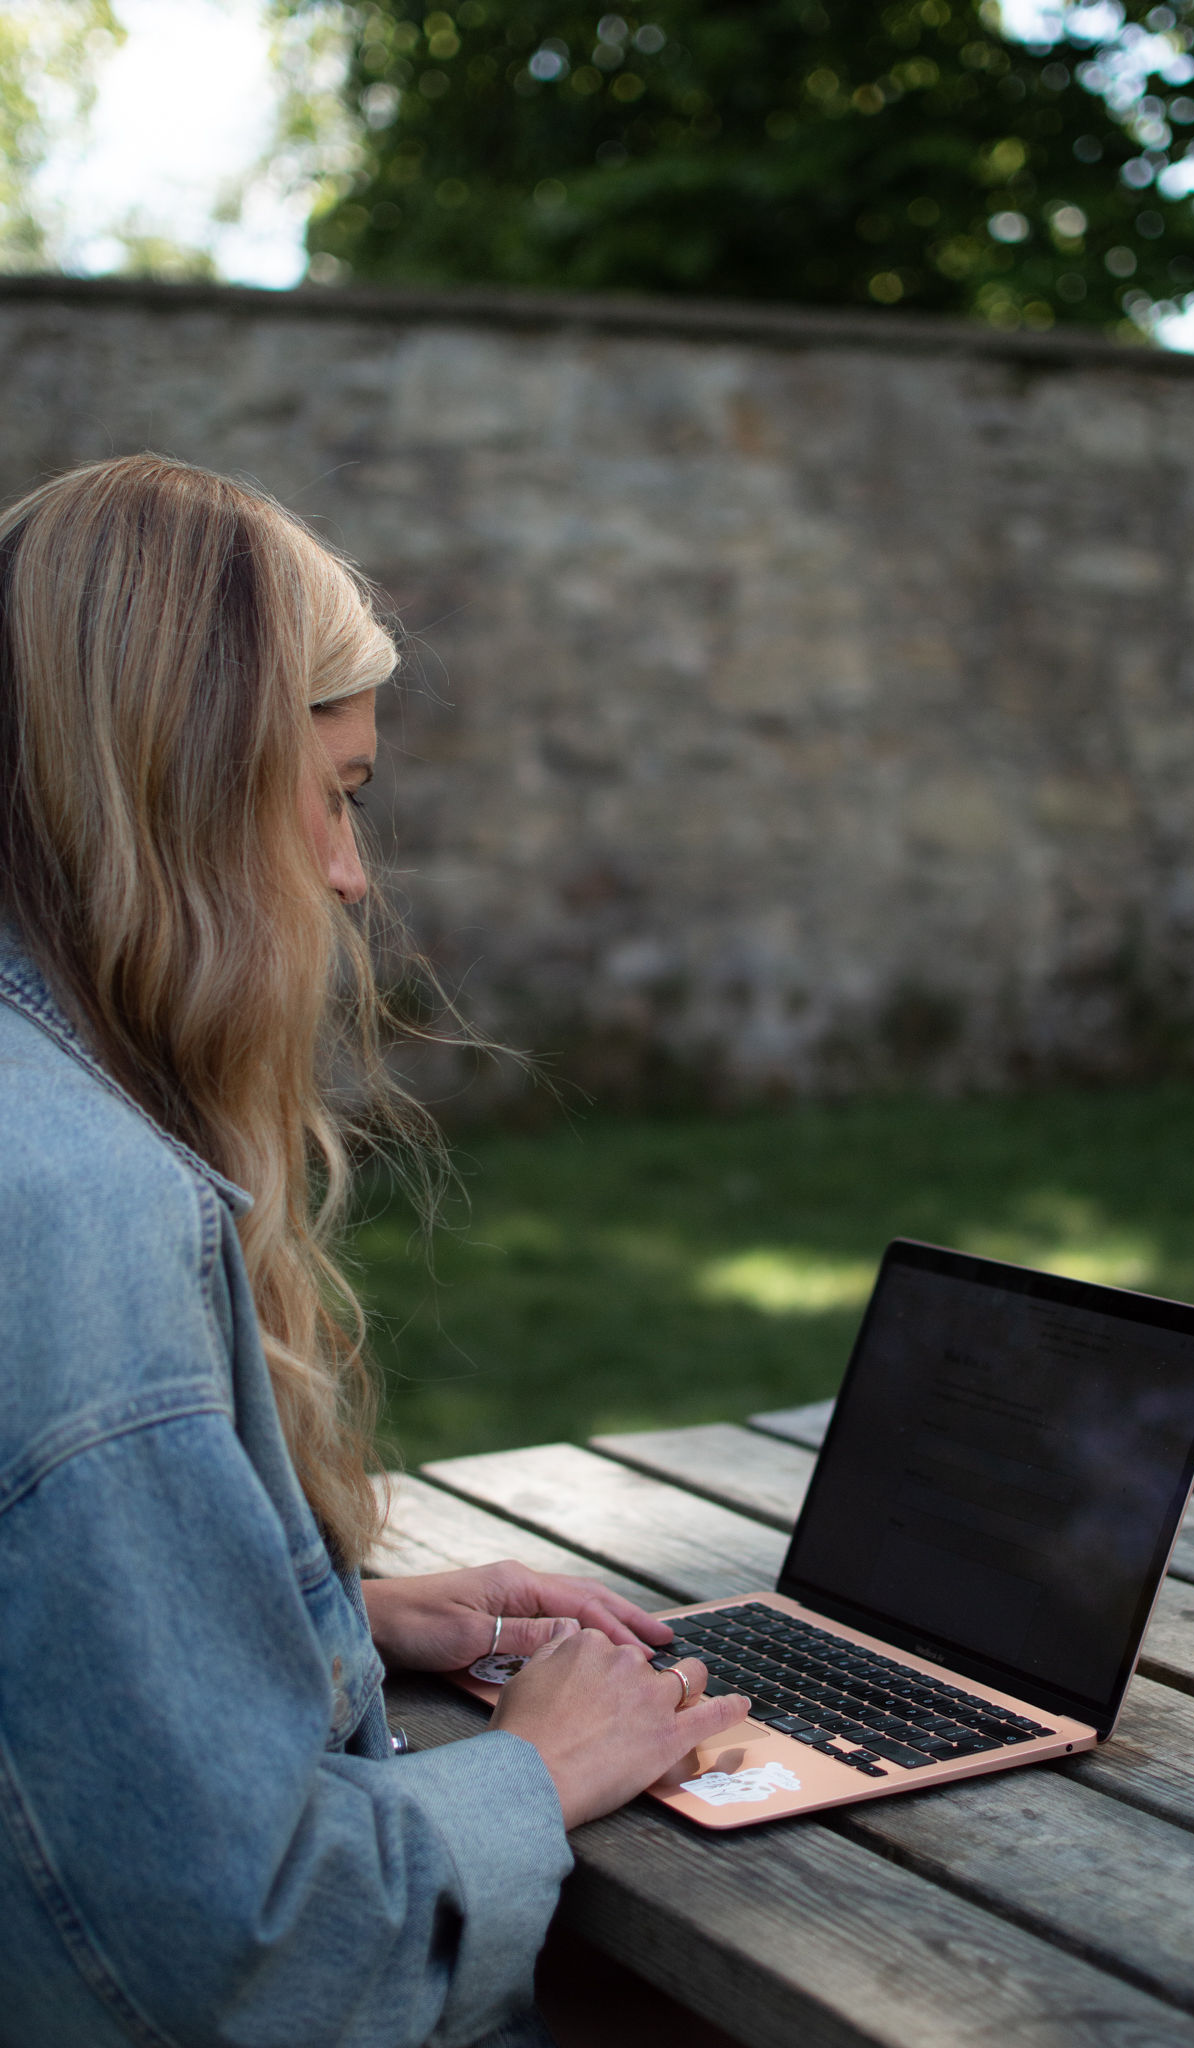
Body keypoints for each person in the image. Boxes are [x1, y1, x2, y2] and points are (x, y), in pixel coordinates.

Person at [0, 454, 748, 2048]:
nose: (350, 874)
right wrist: (531, 1772)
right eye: (336, 792)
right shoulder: (75, 1210)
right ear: (184, 782)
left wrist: (320, 1615)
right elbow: (239, 1962)